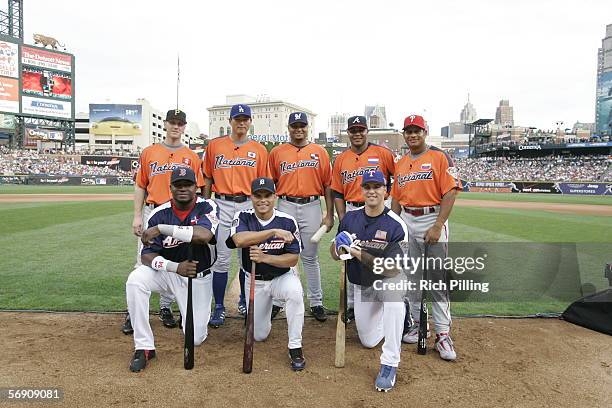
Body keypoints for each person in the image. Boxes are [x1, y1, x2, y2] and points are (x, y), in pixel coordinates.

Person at [125, 167, 219, 372]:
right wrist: (175, 267)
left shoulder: (207, 206)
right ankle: (144, 346)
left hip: (197, 277)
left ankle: (187, 321)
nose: (183, 189)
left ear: (196, 187)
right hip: (168, 273)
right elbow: (147, 255)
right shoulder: (159, 213)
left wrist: (162, 229)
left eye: (188, 185)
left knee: (195, 339)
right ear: (171, 188)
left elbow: (203, 235)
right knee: (135, 279)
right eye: (178, 185)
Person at [123, 109, 205, 335]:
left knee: (174, 260)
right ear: (166, 125)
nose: (176, 126)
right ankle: (133, 312)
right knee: (143, 262)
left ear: (184, 126)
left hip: (178, 215)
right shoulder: (150, 152)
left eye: (180, 123)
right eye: (172, 122)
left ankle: (165, 307)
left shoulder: (191, 155)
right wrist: (138, 215)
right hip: (153, 210)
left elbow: (197, 189)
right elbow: (140, 184)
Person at [390, 114, 462, 361]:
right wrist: (394, 227)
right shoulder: (400, 163)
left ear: (425, 132)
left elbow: (450, 192)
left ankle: (442, 334)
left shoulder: (440, 157)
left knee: (437, 281)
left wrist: (438, 225)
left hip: (432, 218)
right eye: (408, 131)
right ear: (404, 134)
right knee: (412, 280)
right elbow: (397, 199)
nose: (412, 135)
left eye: (417, 130)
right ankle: (417, 325)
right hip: (407, 221)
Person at [330, 170, 408, 392]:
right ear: (361, 190)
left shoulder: (396, 225)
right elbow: (335, 255)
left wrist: (358, 254)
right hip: (363, 286)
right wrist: (337, 246)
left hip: (388, 281)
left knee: (393, 300)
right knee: (368, 340)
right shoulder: (350, 219)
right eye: (367, 187)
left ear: (386, 191)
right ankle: (401, 317)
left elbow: (392, 269)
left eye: (377, 187)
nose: (372, 191)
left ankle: (390, 363)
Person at [226, 177, 306, 371]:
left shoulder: (287, 221)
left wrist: (264, 257)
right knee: (259, 335)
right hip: (256, 281)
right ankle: (271, 308)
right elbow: (238, 239)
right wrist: (272, 232)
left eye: (267, 195)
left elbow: (293, 259)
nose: (263, 200)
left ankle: (295, 346)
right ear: (251, 197)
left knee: (295, 292)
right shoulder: (243, 217)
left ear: (275, 196)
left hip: (281, 277)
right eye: (258, 195)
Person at [202, 104, 270, 328]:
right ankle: (219, 307)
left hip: (247, 205)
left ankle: (243, 301)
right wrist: (206, 204)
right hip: (221, 203)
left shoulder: (259, 150)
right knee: (221, 259)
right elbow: (208, 179)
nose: (241, 123)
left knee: (245, 259)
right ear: (230, 121)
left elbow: (264, 185)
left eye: (245, 119)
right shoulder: (214, 147)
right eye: (237, 119)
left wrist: (261, 210)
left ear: (250, 122)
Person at [268, 112, 334, 322]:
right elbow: (271, 184)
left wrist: (329, 213)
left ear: (308, 127)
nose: (298, 129)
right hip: (286, 204)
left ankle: (316, 302)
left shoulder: (319, 152)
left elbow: (328, 185)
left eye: (302, 125)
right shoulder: (277, 153)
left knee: (310, 257)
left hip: (312, 205)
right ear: (288, 128)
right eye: (294, 125)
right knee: (282, 254)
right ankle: (278, 301)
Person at [331, 115, 395, 322]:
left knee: (379, 253)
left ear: (367, 131)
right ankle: (352, 306)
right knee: (350, 256)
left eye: (361, 129)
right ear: (347, 133)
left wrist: (390, 207)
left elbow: (397, 179)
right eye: (353, 130)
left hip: (379, 208)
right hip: (352, 209)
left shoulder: (383, 153)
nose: (357, 133)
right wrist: (343, 218)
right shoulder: (341, 159)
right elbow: (337, 191)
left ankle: (388, 302)